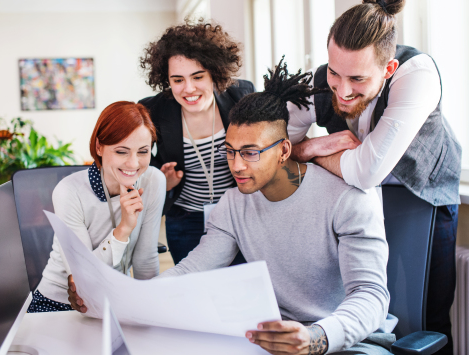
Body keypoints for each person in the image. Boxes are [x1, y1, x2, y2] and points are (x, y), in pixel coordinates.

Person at [68, 61, 392, 355]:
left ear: (283, 151)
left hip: (349, 342)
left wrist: (316, 338)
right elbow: (190, 272)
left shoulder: (347, 197)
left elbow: (371, 297)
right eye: (230, 151)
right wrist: (112, 297)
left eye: (250, 153)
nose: (236, 166)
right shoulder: (235, 203)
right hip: (273, 342)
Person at [286, 0, 461, 353]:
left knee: (425, 318)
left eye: (358, 79)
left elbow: (366, 171)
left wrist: (313, 156)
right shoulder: (325, 80)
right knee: (367, 310)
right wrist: (311, 146)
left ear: (388, 69)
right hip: (359, 201)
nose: (343, 90)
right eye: (335, 72)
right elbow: (279, 148)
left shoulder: (419, 75)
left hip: (423, 196)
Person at [29, 101, 166, 313]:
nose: (133, 163)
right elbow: (83, 275)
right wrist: (124, 229)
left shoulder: (153, 180)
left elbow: (145, 261)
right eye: (121, 151)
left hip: (114, 300)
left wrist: (152, 311)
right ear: (99, 147)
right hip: (61, 302)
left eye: (143, 151)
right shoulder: (69, 191)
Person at [139, 21, 254, 265]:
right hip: (185, 218)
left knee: (240, 285)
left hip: (240, 213)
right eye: (178, 80)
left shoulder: (241, 96)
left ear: (215, 72)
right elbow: (139, 163)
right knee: (194, 291)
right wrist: (162, 181)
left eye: (198, 76)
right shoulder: (154, 110)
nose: (188, 89)